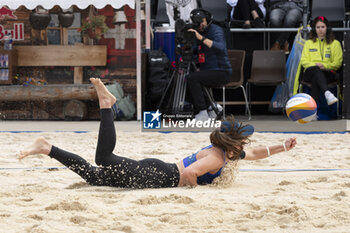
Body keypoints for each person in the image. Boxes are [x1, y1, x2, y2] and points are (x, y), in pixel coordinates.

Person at [18, 78, 297, 188]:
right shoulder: (217, 159)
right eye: (244, 140)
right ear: (234, 145)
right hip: (157, 176)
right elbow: (189, 175)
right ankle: (107, 106)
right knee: (103, 158)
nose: (246, 144)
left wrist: (282, 146)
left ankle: (46, 148)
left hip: (157, 171)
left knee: (94, 175)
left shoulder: (226, 153)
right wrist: (198, 193)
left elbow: (257, 153)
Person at [186, 8, 232, 121]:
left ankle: (203, 112)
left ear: (207, 20)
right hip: (207, 70)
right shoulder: (197, 32)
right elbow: (196, 51)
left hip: (221, 71)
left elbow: (221, 47)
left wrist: (200, 38)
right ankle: (212, 108)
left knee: (193, 78)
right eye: (197, 22)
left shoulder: (216, 30)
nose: (200, 25)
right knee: (188, 79)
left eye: (202, 21)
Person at [300, 16, 343, 105]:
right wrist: (316, 65)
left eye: (323, 27)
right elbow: (304, 61)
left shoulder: (335, 43)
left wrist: (325, 66)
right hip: (310, 71)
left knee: (317, 76)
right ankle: (327, 93)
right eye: (318, 27)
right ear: (314, 29)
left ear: (327, 28)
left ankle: (313, 110)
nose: (320, 30)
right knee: (316, 70)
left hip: (328, 73)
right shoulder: (308, 43)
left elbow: (337, 63)